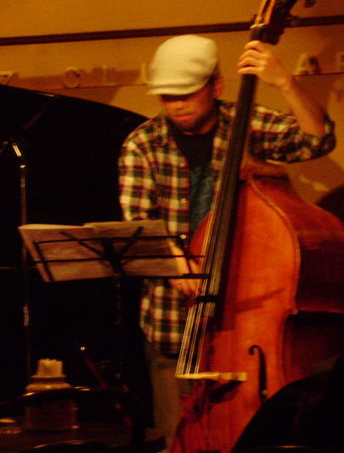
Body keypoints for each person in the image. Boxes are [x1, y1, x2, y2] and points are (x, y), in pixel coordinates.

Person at [118, 34, 335, 450]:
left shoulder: (246, 123)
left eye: (187, 93)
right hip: (172, 320)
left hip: (247, 320)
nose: (177, 105)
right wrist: (177, 264)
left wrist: (285, 81)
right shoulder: (141, 144)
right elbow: (141, 222)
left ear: (215, 86)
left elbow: (316, 139)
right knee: (178, 438)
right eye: (167, 96)